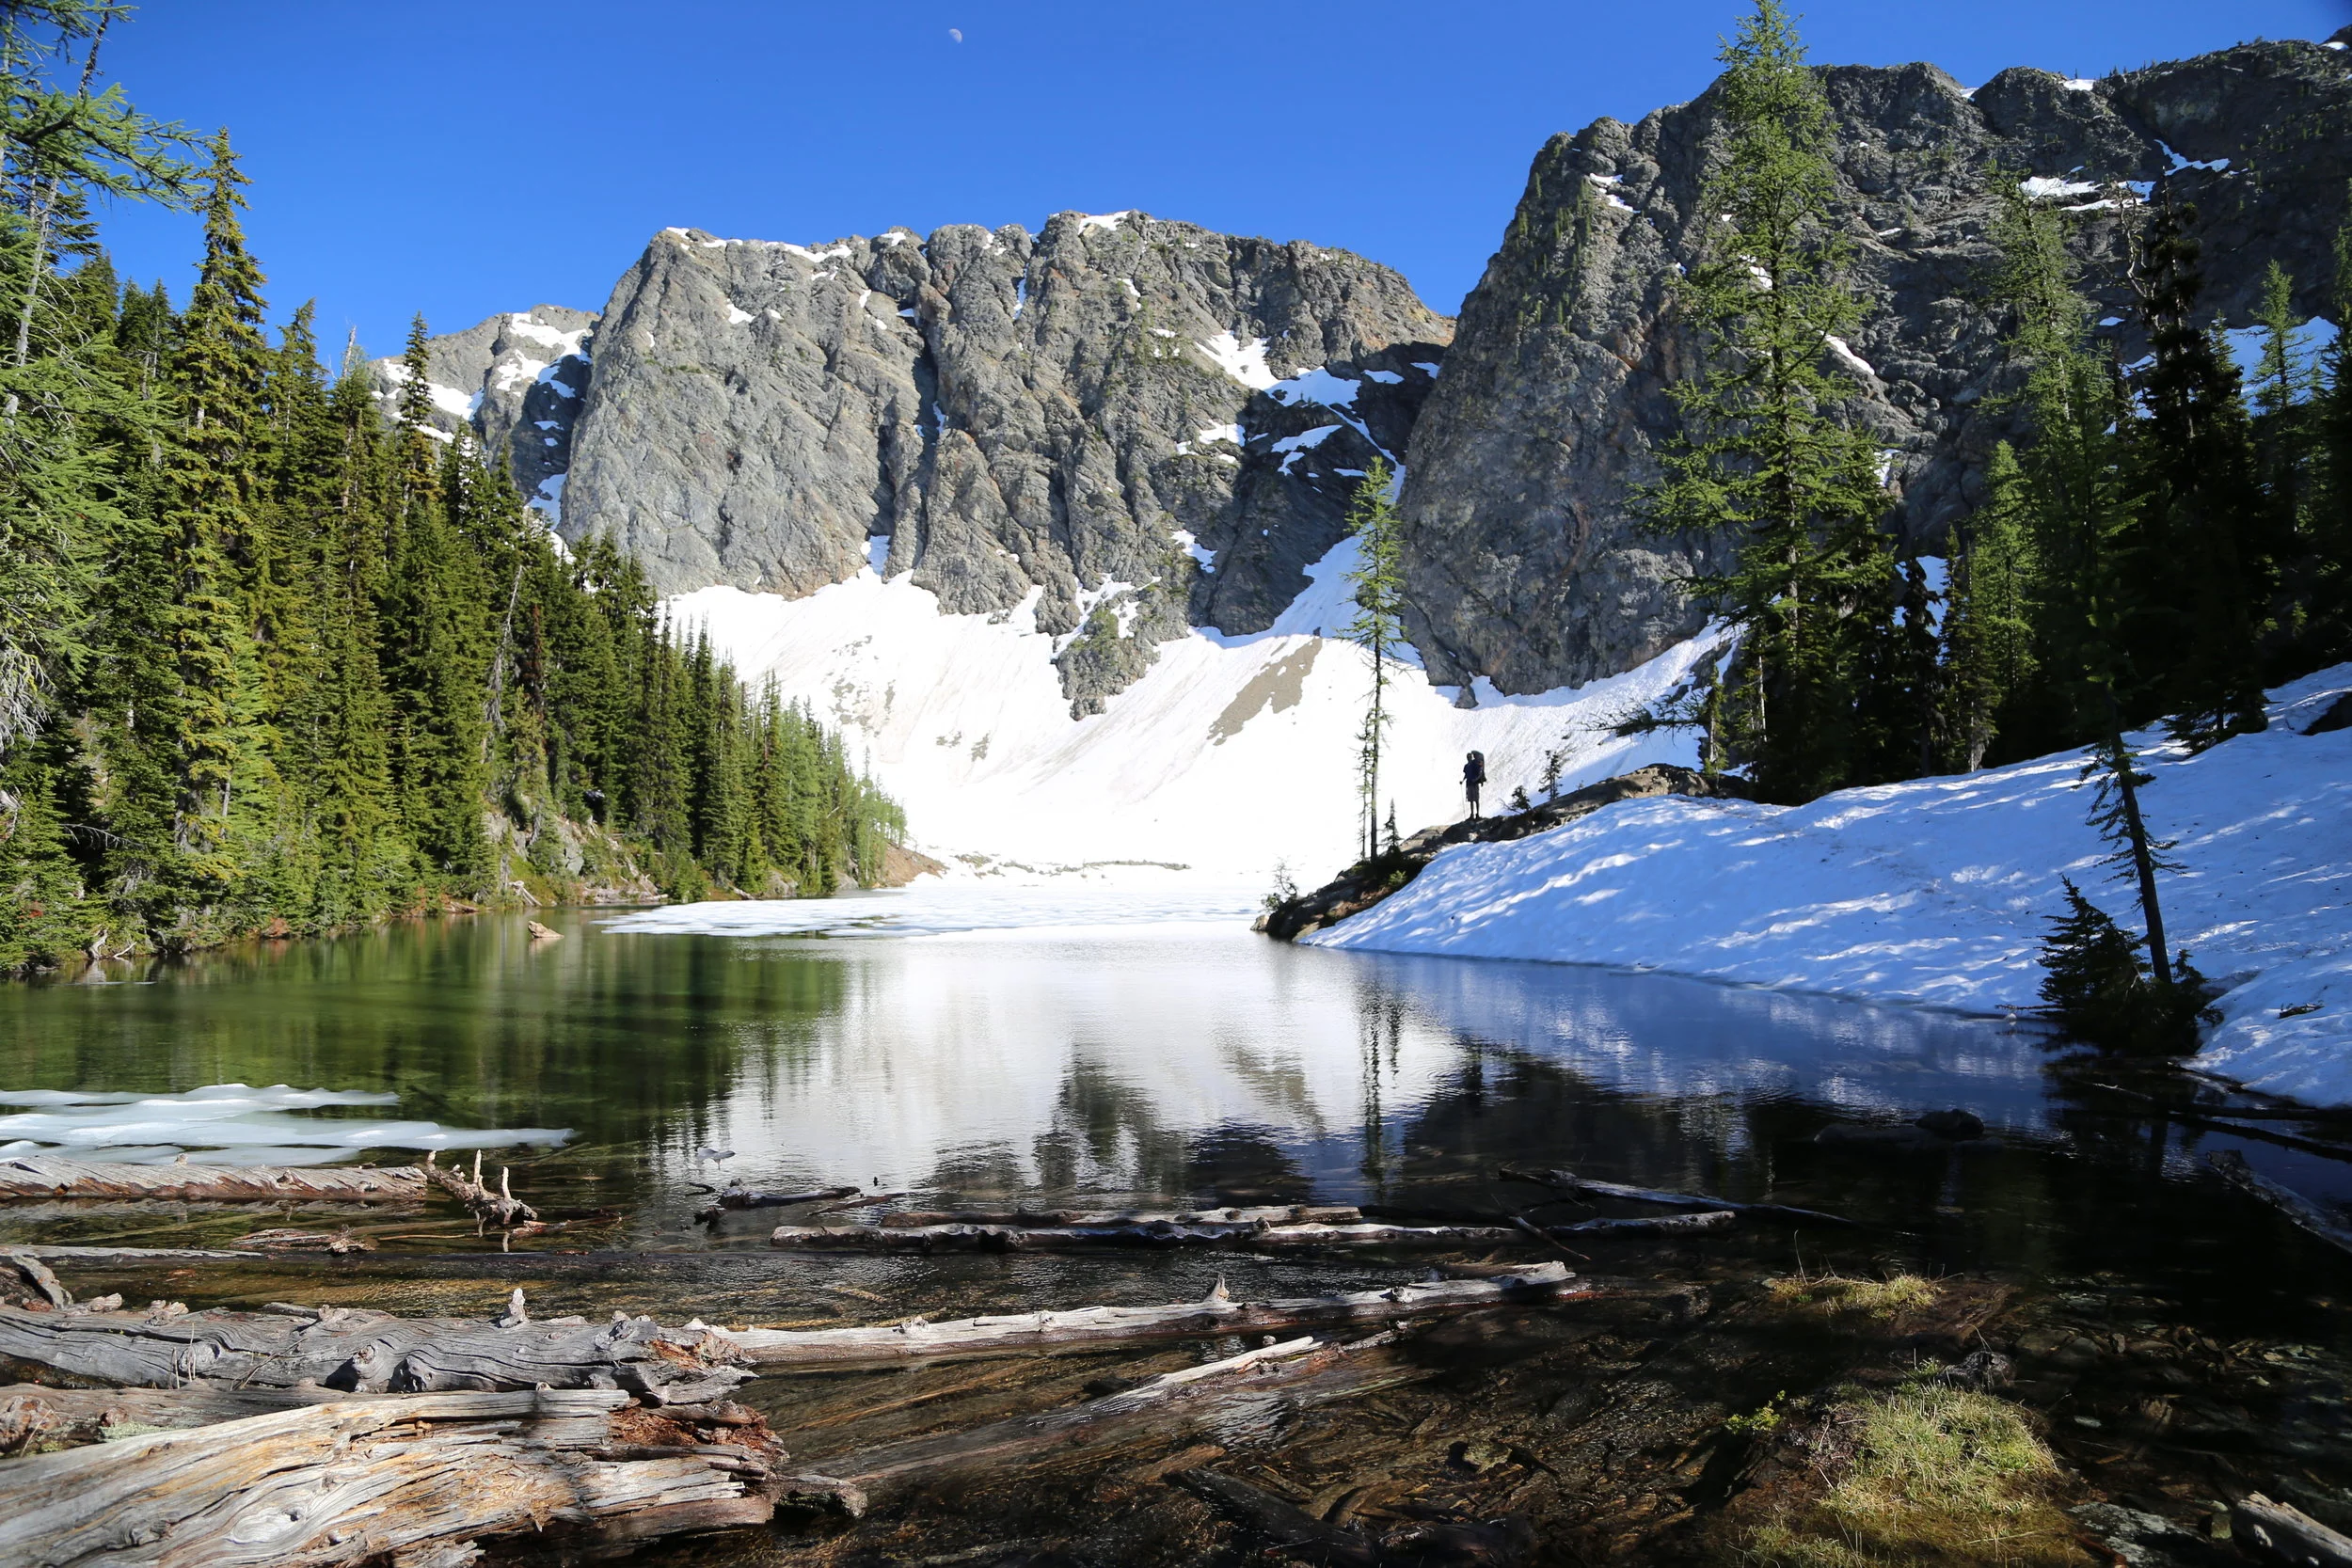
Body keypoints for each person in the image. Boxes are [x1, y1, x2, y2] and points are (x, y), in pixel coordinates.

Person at [1462, 750, 1486, 817]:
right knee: (1471, 800)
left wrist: (1476, 779)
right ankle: (1472, 814)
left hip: (1474, 784)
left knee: (1476, 799)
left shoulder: (1475, 764)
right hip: (1469, 783)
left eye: (1470, 757)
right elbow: (1466, 775)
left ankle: (1477, 814)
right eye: (1468, 757)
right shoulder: (1466, 766)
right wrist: (1462, 780)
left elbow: (1479, 771)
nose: (1469, 758)